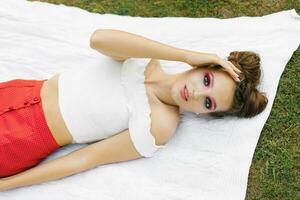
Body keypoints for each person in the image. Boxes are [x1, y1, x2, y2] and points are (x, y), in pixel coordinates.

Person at [0, 29, 268, 191]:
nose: (197, 93)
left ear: (205, 114)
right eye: (206, 80)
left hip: (22, 139)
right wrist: (186, 55)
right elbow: (98, 39)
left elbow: (86, 159)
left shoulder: (159, 125)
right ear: (202, 67)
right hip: (20, 91)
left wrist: (7, 185)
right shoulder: (146, 59)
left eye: (208, 103)